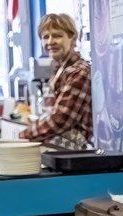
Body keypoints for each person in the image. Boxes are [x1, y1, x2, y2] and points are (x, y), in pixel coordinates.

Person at [19, 14, 93, 150]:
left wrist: (22, 136)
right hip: (60, 151)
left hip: (77, 153)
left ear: (72, 38)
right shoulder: (60, 69)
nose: (50, 42)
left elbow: (60, 119)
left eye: (57, 36)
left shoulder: (79, 72)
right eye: (45, 37)